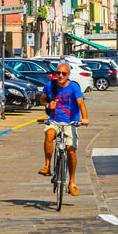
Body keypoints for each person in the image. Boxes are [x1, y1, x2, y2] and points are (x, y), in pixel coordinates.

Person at [39, 62, 89, 196]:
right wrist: (48, 104)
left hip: (70, 122)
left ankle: (72, 182)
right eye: (58, 73)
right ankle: (47, 166)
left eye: (64, 74)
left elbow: (81, 102)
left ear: (68, 75)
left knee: (71, 151)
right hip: (54, 120)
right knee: (49, 134)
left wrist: (84, 118)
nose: (60, 76)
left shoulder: (73, 87)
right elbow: (42, 99)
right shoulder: (50, 85)